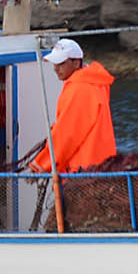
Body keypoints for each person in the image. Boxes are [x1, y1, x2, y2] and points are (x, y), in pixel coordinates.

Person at [30, 37, 117, 174]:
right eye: (54, 63)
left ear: (76, 63)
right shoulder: (96, 83)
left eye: (61, 63)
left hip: (83, 170)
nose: (55, 68)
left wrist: (41, 164)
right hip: (103, 165)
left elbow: (68, 133)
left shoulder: (79, 87)